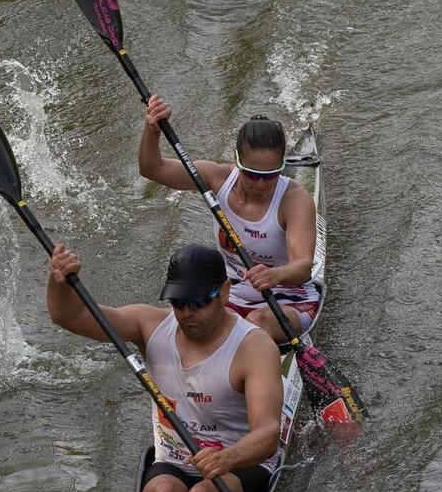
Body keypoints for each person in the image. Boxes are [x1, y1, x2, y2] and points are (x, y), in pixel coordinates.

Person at [46, 241, 286, 492]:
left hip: (241, 464)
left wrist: (227, 458)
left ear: (223, 292)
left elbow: (269, 435)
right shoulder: (149, 326)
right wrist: (59, 283)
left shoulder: (253, 347)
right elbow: (69, 316)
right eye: (178, 303)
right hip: (173, 463)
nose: (187, 313)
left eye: (198, 303)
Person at [137, 95, 320, 341]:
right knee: (178, 321)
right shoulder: (217, 178)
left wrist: (274, 275)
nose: (262, 184)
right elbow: (152, 169)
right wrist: (152, 130)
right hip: (229, 298)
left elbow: (303, 267)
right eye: (253, 174)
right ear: (237, 161)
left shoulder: (295, 200)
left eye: (272, 175)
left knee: (255, 325)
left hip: (288, 303)